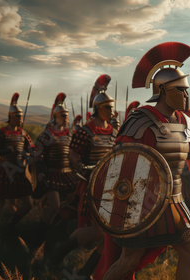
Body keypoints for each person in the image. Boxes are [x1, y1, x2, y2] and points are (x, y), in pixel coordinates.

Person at [98, 42, 190, 280]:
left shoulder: (186, 125)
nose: (186, 95)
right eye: (181, 90)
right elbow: (118, 169)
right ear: (163, 90)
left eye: (186, 90)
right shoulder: (140, 122)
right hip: (140, 205)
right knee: (129, 261)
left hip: (174, 202)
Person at [48, 75, 118, 275]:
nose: (111, 111)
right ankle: (65, 257)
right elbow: (73, 155)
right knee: (103, 233)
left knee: (108, 234)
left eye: (111, 108)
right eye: (107, 108)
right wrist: (81, 168)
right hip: (92, 185)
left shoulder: (114, 132)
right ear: (97, 109)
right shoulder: (85, 132)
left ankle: (77, 265)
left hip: (111, 187)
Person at [32, 93, 79, 246]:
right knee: (54, 205)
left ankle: (60, 233)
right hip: (52, 173)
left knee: (71, 202)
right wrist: (40, 172)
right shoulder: (47, 134)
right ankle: (39, 240)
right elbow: (37, 155)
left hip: (68, 173)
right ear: (56, 116)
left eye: (67, 115)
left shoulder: (68, 133)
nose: (66, 118)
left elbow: (72, 153)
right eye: (63, 115)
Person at [0, 93, 34, 231]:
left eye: (21, 116)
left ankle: (11, 226)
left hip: (19, 171)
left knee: (28, 204)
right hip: (4, 169)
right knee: (0, 204)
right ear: (10, 117)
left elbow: (31, 148)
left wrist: (30, 153)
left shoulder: (23, 133)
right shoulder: (1, 133)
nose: (20, 118)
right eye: (18, 116)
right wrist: (6, 151)